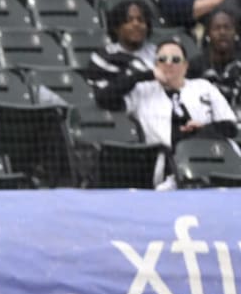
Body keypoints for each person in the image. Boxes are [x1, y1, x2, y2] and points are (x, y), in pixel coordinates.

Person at [101, 39, 239, 188]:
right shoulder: (143, 90)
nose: (168, 63)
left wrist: (203, 128)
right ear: (155, 65)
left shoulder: (203, 87)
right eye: (162, 59)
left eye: (175, 59)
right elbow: (105, 98)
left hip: (210, 158)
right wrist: (143, 76)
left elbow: (230, 127)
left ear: (185, 66)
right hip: (165, 164)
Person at [84, 0, 158, 111]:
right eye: (129, 20)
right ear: (116, 27)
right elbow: (104, 96)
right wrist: (137, 76)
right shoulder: (104, 57)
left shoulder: (159, 53)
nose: (136, 24)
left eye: (141, 20)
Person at [187, 8, 241, 105]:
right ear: (208, 34)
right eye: (216, 28)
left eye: (227, 27)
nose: (222, 32)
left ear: (235, 33)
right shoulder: (195, 65)